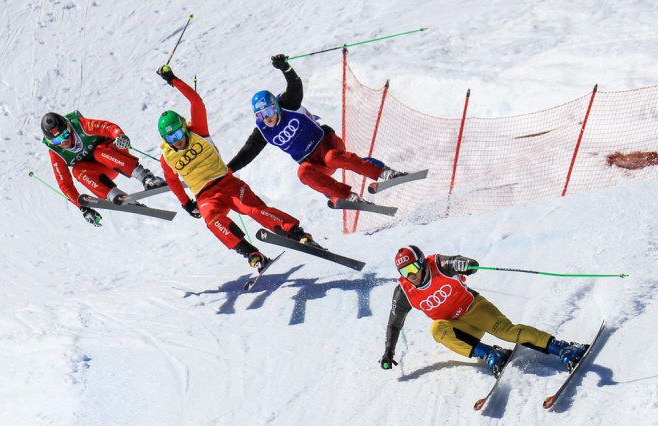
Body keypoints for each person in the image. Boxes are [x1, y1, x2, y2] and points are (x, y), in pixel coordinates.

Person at [155, 64, 316, 271]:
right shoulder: (166, 157)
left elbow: (196, 102)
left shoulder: (199, 131)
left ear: (184, 128)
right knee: (212, 220)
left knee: (253, 210)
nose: (177, 141)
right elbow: (172, 180)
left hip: (227, 183)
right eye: (170, 138)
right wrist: (186, 203)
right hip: (205, 197)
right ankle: (252, 255)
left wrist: (172, 79)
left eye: (178, 134)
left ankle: (297, 234)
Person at [226, 54, 407, 207]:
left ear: (275, 106)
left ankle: (383, 172)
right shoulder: (263, 131)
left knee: (333, 158)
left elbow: (295, 86)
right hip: (312, 163)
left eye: (269, 111)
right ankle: (346, 197)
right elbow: (247, 152)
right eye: (260, 115)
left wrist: (286, 68)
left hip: (326, 144)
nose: (267, 118)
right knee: (303, 173)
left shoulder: (288, 104)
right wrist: (229, 169)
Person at [379, 245, 586, 375]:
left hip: (474, 309)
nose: (411, 275)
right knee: (437, 330)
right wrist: (389, 351)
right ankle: (490, 354)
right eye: (405, 272)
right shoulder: (404, 292)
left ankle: (564, 348)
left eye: (413, 268)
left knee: (508, 332)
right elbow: (394, 324)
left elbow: (466, 263)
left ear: (422, 263)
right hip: (458, 327)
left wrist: (465, 264)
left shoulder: (438, 265)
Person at [41, 111, 166, 227]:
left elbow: (108, 127)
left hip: (114, 156)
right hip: (101, 173)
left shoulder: (81, 126)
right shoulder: (56, 153)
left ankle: (146, 177)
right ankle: (117, 196)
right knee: (77, 170)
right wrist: (83, 207)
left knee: (98, 152)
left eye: (65, 134)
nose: (63, 141)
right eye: (57, 140)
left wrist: (119, 135)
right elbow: (65, 185)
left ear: (69, 127)